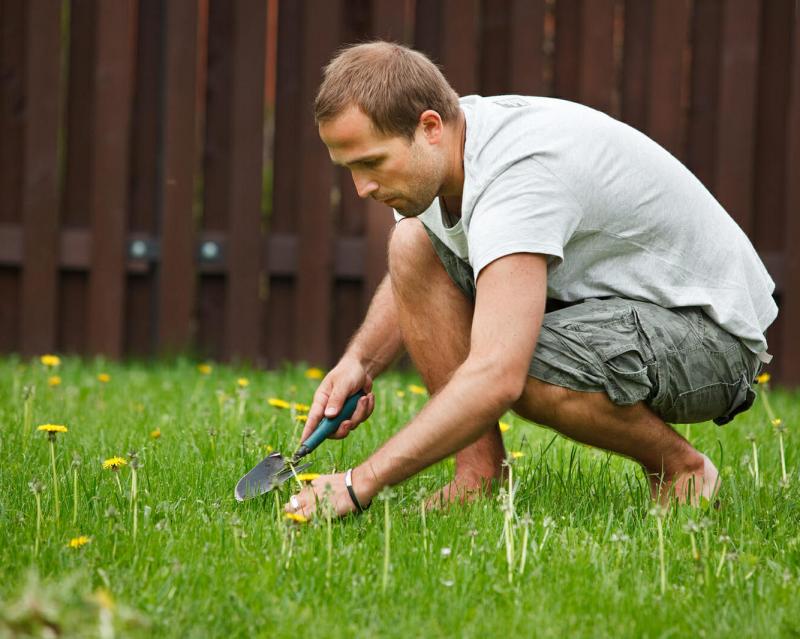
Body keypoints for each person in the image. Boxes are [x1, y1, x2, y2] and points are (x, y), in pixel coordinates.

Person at [283, 41, 777, 519]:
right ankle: (478, 477)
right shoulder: (447, 152)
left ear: (429, 127)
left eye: (371, 163)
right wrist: (360, 362)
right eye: (349, 168)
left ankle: (683, 471)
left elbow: (497, 375)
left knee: (525, 367)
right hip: (614, 307)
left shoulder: (518, 178)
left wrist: (357, 484)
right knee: (412, 243)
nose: (362, 187)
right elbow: (423, 263)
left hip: (711, 338)